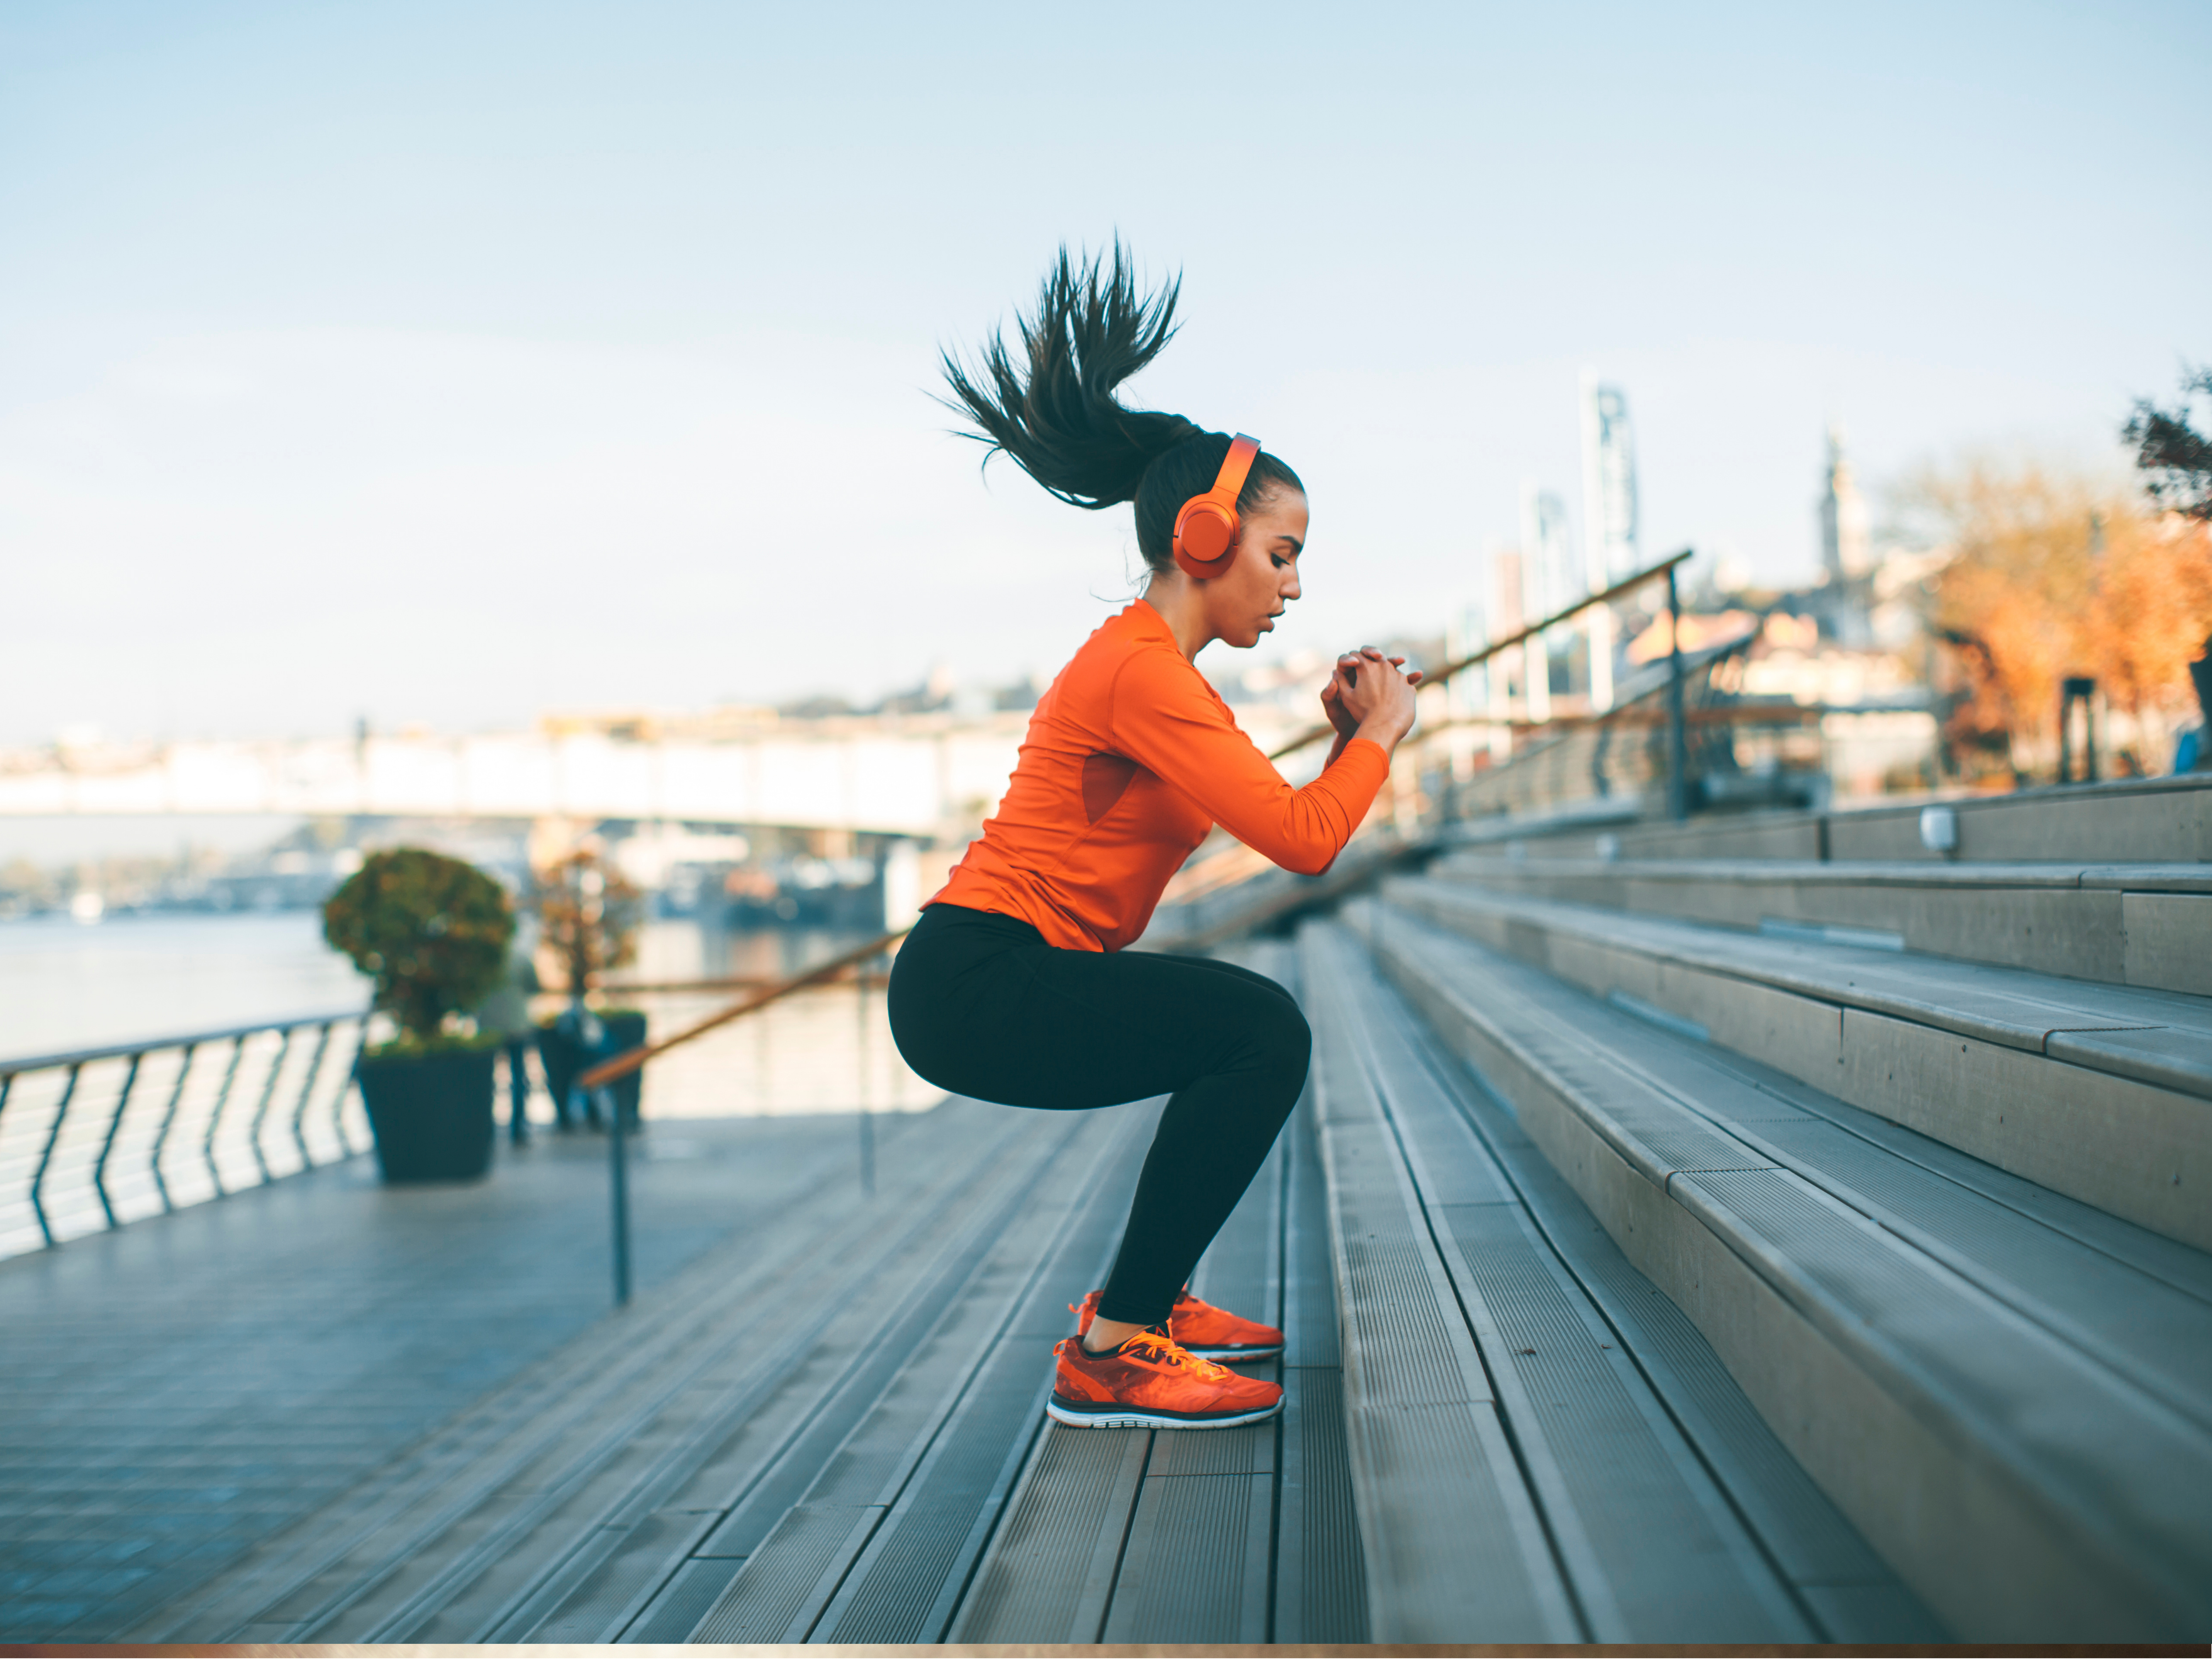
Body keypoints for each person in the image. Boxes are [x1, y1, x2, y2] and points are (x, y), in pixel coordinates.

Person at [887, 247, 1421, 1430]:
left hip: (996, 970)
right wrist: (1382, 733)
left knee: (1235, 1033)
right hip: (977, 977)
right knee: (1257, 1030)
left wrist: (1346, 747)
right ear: (1203, 537)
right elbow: (1302, 843)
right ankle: (1116, 1349)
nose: (1290, 588)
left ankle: (1145, 1309)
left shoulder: (1160, 675)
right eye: (1280, 556)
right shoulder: (1143, 671)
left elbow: (1286, 814)